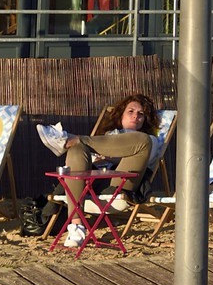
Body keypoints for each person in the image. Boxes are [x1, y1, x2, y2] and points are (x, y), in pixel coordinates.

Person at [34, 93, 163, 247]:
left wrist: (106, 155)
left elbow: (125, 158)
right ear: (121, 114)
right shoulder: (108, 137)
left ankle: (69, 139)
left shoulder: (151, 140)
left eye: (141, 114)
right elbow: (91, 161)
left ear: (145, 120)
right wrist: (102, 154)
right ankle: (76, 227)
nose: (136, 116)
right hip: (90, 187)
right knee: (77, 149)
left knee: (141, 140)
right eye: (131, 111)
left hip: (119, 186)